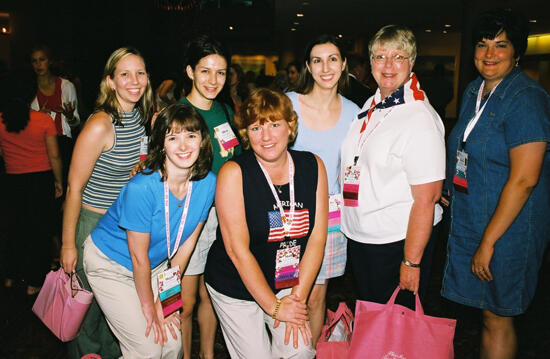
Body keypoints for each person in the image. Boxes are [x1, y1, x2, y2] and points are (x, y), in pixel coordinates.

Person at [441, 9, 550, 359]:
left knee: (498, 316)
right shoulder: (476, 89)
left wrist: (488, 242)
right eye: (483, 44)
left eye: (500, 45)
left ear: (517, 52)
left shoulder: (526, 100)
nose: (489, 54)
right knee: (487, 314)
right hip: (476, 216)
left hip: (508, 229)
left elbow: (524, 180)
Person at [84, 103, 216, 358]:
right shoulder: (142, 188)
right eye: (173, 137)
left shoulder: (208, 183)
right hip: (110, 265)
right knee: (147, 349)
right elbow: (138, 257)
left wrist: (163, 301)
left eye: (191, 135)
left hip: (157, 268)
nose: (184, 145)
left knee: (173, 343)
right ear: (161, 144)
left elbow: (185, 249)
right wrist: (149, 307)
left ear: (202, 140)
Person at [204, 88, 328, 359]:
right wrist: (274, 308)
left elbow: (317, 239)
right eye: (256, 128)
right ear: (247, 134)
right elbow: (237, 250)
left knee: (300, 350)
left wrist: (297, 300)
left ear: (290, 126)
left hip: (286, 281)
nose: (267, 136)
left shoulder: (313, 166)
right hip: (235, 283)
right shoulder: (233, 173)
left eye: (275, 124)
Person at [340, 25, 445, 308]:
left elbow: (427, 199)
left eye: (398, 57)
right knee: (374, 326)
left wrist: (411, 261)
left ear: (411, 62)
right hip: (364, 239)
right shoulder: (373, 104)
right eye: (379, 56)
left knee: (396, 336)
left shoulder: (418, 117)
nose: (387, 65)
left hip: (395, 242)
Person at [60, 47, 153, 358]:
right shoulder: (101, 124)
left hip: (123, 227)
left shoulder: (142, 118)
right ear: (111, 81)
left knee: (113, 309)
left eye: (140, 73)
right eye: (124, 74)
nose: (134, 81)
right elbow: (74, 188)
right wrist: (68, 244)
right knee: (84, 313)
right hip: (91, 224)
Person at [287, 34, 359, 346]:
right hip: (288, 210)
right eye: (317, 60)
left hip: (332, 212)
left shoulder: (356, 113)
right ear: (308, 66)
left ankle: (308, 352)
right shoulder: (289, 104)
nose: (325, 67)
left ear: (344, 65)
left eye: (333, 59)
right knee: (285, 288)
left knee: (316, 295)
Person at [178, 34, 242, 359]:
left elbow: (235, 162)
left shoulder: (226, 112)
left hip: (225, 217)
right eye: (205, 71)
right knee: (185, 301)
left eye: (220, 72)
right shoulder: (176, 115)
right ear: (190, 71)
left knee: (211, 294)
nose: (213, 80)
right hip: (190, 216)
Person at [0, 71, 63, 295]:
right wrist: (58, 182)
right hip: (40, 181)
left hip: (12, 181)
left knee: (15, 229)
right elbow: (54, 156)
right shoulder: (43, 120)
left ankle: (9, 276)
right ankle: (33, 282)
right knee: (39, 232)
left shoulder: (1, 121)